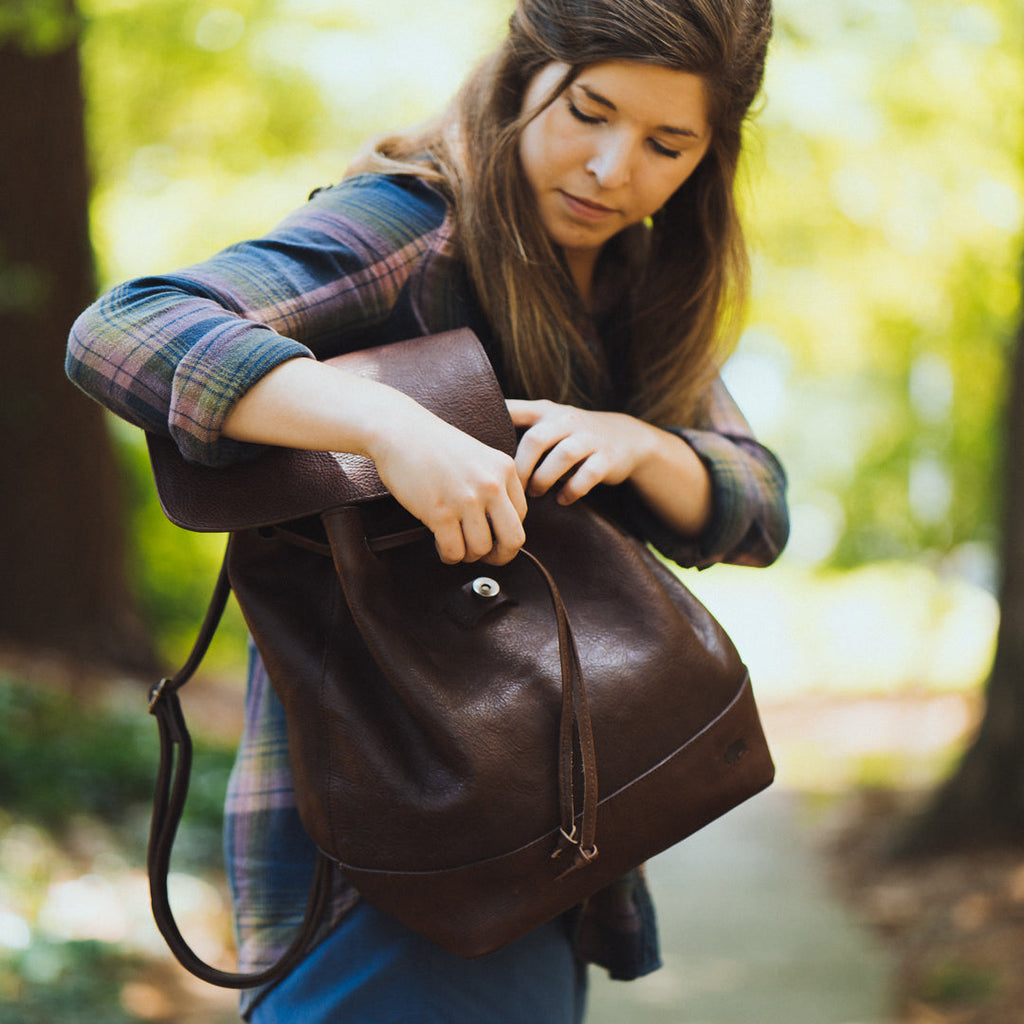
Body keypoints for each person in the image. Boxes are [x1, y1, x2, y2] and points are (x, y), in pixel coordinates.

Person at [67, 0, 788, 1020]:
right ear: (524, 74)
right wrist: (388, 428)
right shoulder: (418, 221)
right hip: (388, 830)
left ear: (708, 157)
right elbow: (126, 329)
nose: (611, 168)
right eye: (588, 111)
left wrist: (641, 443)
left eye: (666, 144)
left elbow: (757, 503)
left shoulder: (640, 278)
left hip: (561, 825)